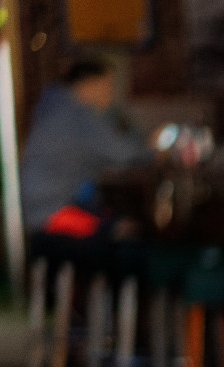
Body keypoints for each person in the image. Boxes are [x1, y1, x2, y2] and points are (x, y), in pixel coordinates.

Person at [20, 59, 153, 236]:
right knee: (128, 231)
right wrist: (159, 151)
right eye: (107, 87)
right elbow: (125, 154)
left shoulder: (56, 106)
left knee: (111, 214)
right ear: (89, 85)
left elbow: (108, 156)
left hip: (38, 207)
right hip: (51, 213)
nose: (111, 95)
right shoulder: (77, 115)